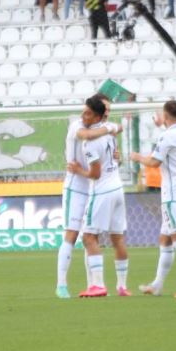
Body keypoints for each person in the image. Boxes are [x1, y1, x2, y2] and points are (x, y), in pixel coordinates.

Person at [131, 101, 176, 298]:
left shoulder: (168, 136)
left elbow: (154, 162)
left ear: (166, 115)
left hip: (173, 195)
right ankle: (157, 284)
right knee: (165, 239)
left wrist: (137, 157)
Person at [56, 95, 122, 298]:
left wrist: (116, 155)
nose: (84, 115)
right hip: (76, 186)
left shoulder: (104, 129)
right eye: (84, 111)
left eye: (109, 110)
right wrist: (111, 128)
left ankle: (94, 284)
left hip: (95, 186)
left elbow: (110, 149)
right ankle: (61, 285)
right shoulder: (78, 125)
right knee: (72, 234)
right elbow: (85, 135)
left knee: (90, 236)